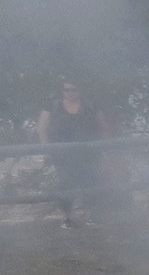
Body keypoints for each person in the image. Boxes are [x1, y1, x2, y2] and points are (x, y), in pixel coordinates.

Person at [35, 80, 109, 226]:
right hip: (62, 155)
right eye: (66, 90)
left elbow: (103, 127)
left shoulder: (90, 106)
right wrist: (46, 150)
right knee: (65, 183)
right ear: (62, 91)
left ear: (80, 90)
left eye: (73, 90)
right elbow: (42, 129)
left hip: (89, 153)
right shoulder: (53, 107)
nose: (70, 93)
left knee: (90, 182)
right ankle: (67, 217)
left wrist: (102, 147)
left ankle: (90, 216)